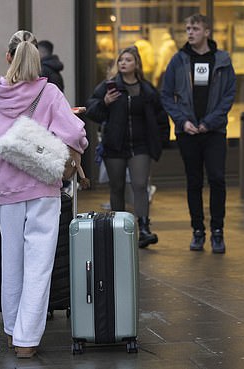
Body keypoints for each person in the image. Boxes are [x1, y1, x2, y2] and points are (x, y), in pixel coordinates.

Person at [0, 30, 88, 358]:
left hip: (4, 190)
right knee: (39, 264)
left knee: (11, 261)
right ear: (37, 62)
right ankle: (27, 339)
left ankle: (14, 331)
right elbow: (75, 133)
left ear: (9, 58)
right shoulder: (51, 92)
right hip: (43, 187)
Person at [160, 14, 236, 254]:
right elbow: (166, 94)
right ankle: (197, 231)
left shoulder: (222, 60)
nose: (190, 32)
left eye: (194, 28)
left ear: (207, 32)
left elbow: (229, 95)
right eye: (187, 28)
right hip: (188, 132)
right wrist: (182, 122)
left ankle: (217, 231)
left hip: (214, 132)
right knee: (194, 181)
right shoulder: (179, 60)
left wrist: (210, 122)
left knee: (217, 179)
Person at [85, 46, 169, 249]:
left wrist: (160, 141)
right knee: (117, 187)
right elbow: (91, 110)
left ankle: (144, 228)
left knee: (140, 185)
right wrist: (104, 102)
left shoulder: (147, 89)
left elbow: (160, 117)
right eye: (121, 60)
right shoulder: (109, 87)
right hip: (115, 145)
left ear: (137, 64)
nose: (123, 63)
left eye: (128, 60)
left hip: (140, 146)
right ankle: (118, 228)